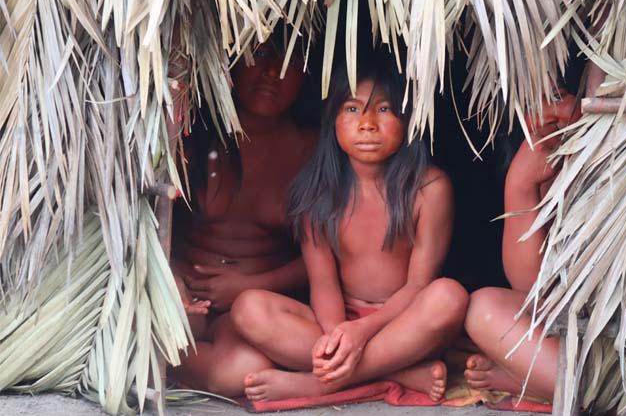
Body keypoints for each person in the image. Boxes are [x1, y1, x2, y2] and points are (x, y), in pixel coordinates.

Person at [229, 59, 468, 402]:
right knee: (248, 308)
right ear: (333, 122)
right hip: (340, 319)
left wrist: (361, 333)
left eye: (384, 109)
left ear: (407, 118)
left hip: (404, 320)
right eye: (352, 109)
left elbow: (419, 285)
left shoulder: (429, 188)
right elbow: (324, 286)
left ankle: (318, 384)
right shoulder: (316, 194)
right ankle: (392, 371)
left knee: (449, 297)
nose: (368, 124)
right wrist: (338, 338)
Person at [170, 34, 318, 396]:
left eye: (289, 63)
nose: (271, 72)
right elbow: (150, 223)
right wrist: (171, 278)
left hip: (254, 307)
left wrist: (249, 286)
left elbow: (328, 259)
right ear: (232, 63)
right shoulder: (192, 137)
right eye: (261, 54)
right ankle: (165, 355)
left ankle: (171, 366)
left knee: (244, 372)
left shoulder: (312, 152)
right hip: (181, 295)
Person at [462, 89, 585, 400]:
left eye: (558, 96)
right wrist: (520, 186)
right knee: (483, 309)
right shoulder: (541, 160)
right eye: (533, 102)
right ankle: (544, 380)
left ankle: (538, 383)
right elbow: (530, 289)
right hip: (569, 338)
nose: (544, 113)